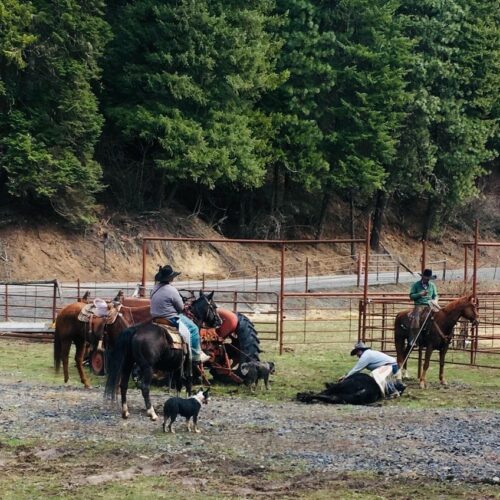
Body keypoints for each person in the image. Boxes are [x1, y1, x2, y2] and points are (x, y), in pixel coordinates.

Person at [150, 264, 210, 363]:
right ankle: (196, 355)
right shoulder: (172, 290)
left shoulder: (155, 288)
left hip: (155, 317)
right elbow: (181, 307)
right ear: (170, 278)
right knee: (194, 329)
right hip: (169, 318)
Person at [409, 268, 438, 346]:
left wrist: (435, 300)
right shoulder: (416, 285)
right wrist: (420, 294)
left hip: (431, 305)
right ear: (423, 277)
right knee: (416, 319)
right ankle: (414, 339)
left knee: (440, 315)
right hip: (420, 305)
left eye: (429, 278)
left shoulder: (432, 285)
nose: (427, 280)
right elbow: (411, 296)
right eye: (426, 278)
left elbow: (435, 295)